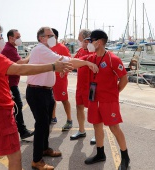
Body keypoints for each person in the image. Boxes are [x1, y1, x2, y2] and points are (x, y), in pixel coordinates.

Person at [0, 21, 73, 170]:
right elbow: (19, 69)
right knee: (14, 157)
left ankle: (43, 149)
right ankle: (38, 159)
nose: (1, 39)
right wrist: (53, 66)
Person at [26, 26, 99, 170]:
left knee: (46, 123)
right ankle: (36, 160)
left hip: (46, 91)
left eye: (53, 35)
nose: (53, 37)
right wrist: (86, 62)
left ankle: (44, 148)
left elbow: (60, 63)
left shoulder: (46, 50)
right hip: (37, 92)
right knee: (41, 125)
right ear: (41, 38)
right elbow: (67, 61)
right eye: (50, 35)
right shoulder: (41, 49)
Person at [81, 29, 130, 170]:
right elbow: (76, 62)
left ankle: (125, 157)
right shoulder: (91, 57)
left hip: (108, 100)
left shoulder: (112, 59)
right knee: (97, 125)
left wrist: (115, 92)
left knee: (114, 127)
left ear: (100, 42)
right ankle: (100, 153)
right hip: (94, 99)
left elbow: (124, 78)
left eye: (91, 40)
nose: (89, 43)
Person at [1, 29, 34, 140]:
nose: (20, 39)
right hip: (10, 84)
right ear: (11, 38)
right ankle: (21, 131)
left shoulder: (10, 48)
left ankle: (18, 130)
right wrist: (30, 55)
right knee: (17, 107)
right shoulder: (9, 49)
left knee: (16, 107)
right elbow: (20, 64)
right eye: (18, 36)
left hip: (11, 83)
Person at [70, 29, 96, 144]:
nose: (79, 42)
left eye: (80, 40)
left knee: (93, 109)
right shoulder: (80, 51)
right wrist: (65, 69)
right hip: (80, 85)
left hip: (91, 86)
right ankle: (81, 130)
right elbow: (73, 62)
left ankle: (97, 133)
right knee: (79, 106)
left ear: (87, 40)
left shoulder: (94, 51)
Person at [51, 28, 72, 131]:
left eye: (49, 35)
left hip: (60, 78)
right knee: (51, 99)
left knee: (64, 99)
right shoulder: (46, 48)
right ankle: (53, 117)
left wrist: (65, 72)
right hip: (49, 78)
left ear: (54, 36)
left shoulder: (62, 48)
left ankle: (69, 120)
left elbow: (69, 61)